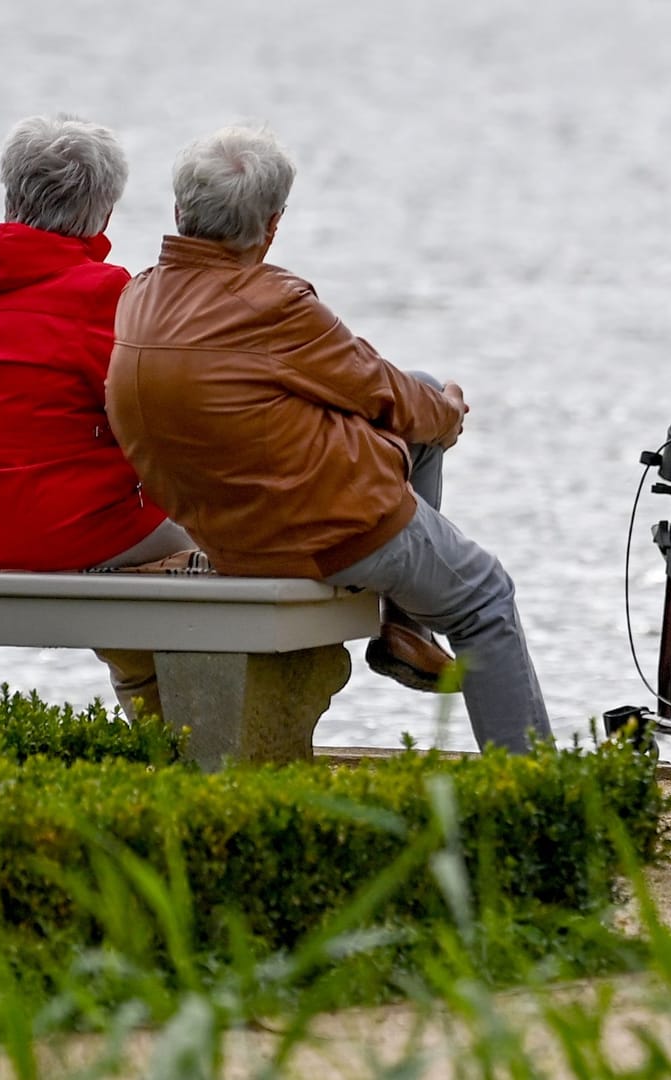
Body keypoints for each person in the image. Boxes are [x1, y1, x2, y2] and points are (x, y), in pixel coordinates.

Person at [104, 125, 552, 754]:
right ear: (271, 227)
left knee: (414, 397)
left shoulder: (137, 299)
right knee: (485, 597)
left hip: (225, 531)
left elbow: (375, 388)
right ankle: (535, 791)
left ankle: (399, 625)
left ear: (180, 213)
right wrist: (449, 415)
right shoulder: (272, 303)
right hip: (327, 534)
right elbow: (380, 391)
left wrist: (420, 407)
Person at [0, 114, 189, 721]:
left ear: (12, 194)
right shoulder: (104, 291)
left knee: (144, 600)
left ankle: (161, 734)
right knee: (225, 562)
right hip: (57, 529)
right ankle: (199, 761)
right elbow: (160, 416)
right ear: (104, 213)